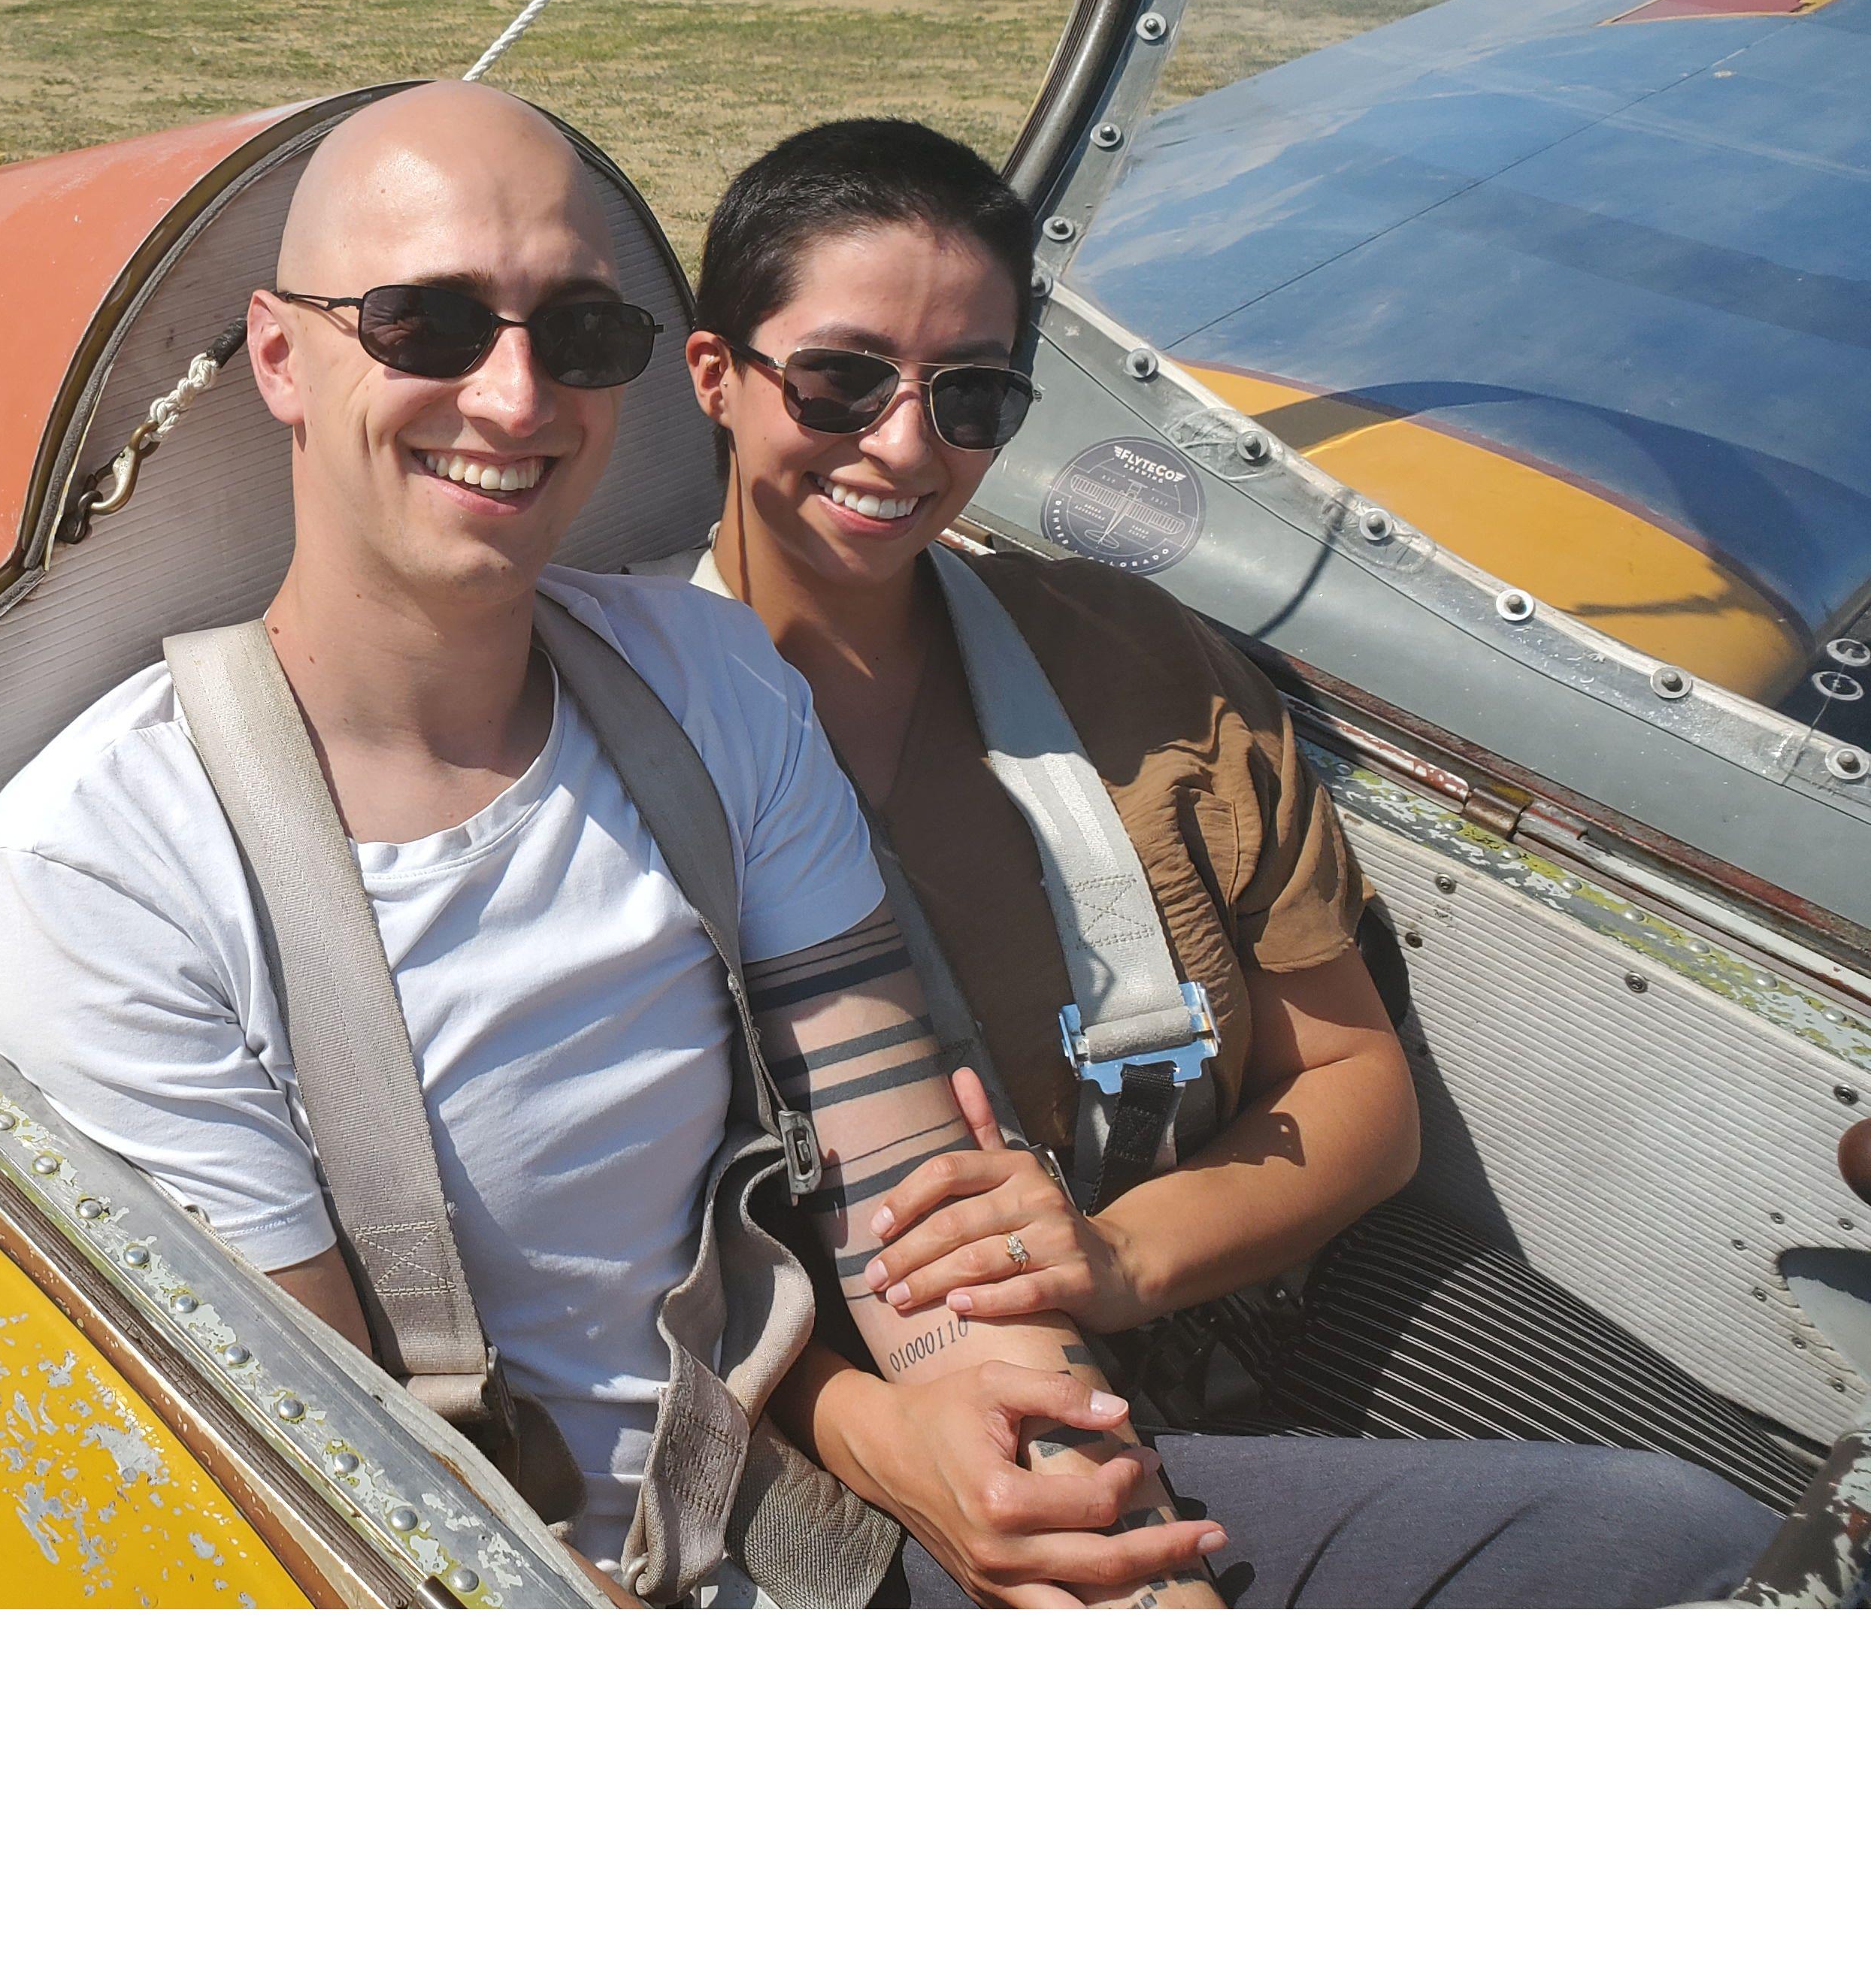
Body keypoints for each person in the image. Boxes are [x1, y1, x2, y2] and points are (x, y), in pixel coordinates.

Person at [0, 81, 1226, 1601]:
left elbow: (895, 1163)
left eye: (577, 337)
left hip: (821, 1518)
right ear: (281, 357)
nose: (513, 399)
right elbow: (332, 1482)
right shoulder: (107, 872)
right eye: (426, 324)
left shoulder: (710, 682)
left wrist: (1069, 1508)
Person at [671, 113, 1788, 1605]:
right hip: (891, 1391)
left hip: (1248, 1292)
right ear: (714, 380)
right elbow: (620, 1268)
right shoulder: (619, 758)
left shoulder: (1144, 666)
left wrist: (1115, 1258)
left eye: (973, 394)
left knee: (1746, 1543)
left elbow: (1354, 1091)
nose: (904, 443)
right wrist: (857, 1420)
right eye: (841, 378)